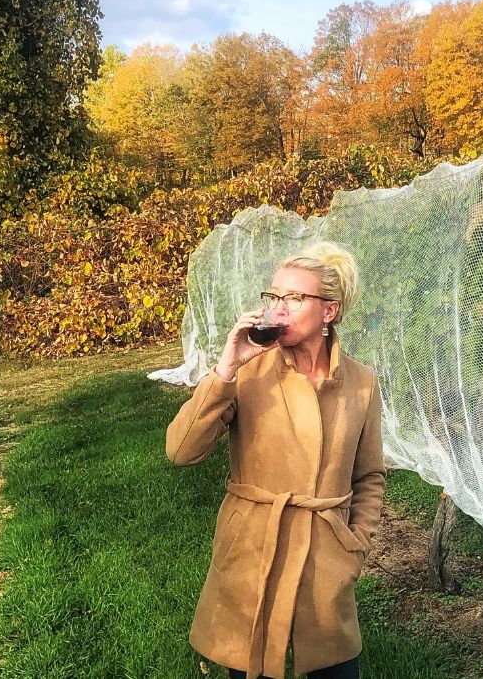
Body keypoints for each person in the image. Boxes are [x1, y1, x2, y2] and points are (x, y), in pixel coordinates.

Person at [165, 242, 386, 679]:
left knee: (334, 669)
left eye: (294, 298)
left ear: (329, 311)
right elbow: (181, 450)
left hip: (327, 556)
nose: (277, 309)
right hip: (253, 549)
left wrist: (356, 545)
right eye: (273, 297)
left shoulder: (361, 382)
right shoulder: (248, 373)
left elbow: (370, 474)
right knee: (252, 666)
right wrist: (225, 369)